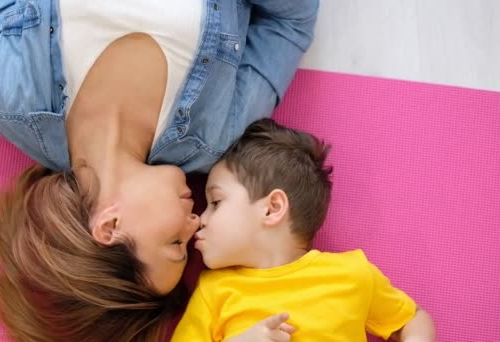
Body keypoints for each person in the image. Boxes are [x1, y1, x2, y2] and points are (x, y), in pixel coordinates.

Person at [0, 0, 319, 341]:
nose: (195, 222)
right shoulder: (215, 136)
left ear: (109, 226)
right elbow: (290, 23)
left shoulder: (3, 95)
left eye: (174, 243)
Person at [172, 119, 436, 342]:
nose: (200, 219)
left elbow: (413, 319)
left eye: (216, 203)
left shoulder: (352, 274)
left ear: (272, 208)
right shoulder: (213, 291)